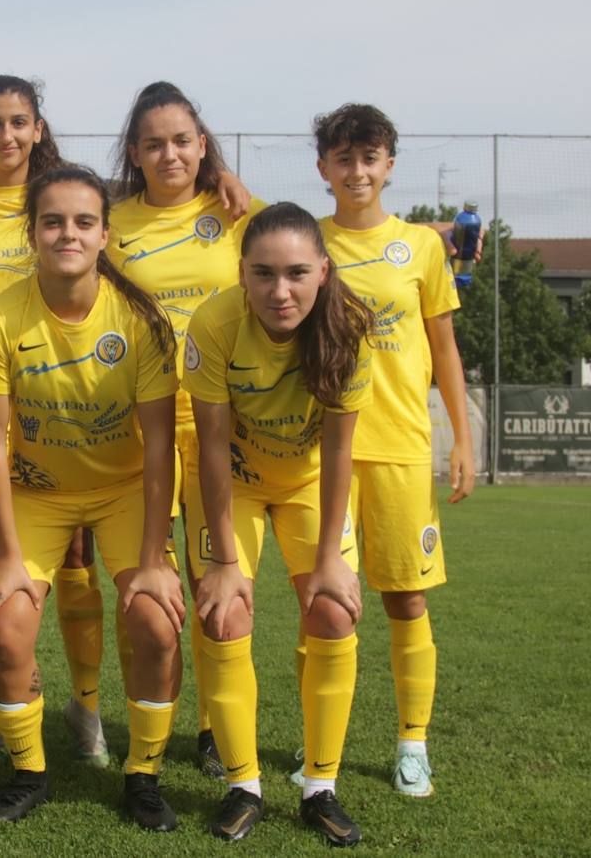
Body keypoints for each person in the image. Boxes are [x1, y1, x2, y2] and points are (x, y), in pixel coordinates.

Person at [0, 165, 184, 830]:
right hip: (39, 494)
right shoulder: (0, 315)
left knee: (155, 619)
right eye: (53, 221)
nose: (68, 233)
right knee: (4, 626)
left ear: (105, 235)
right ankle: (29, 769)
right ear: (31, 232)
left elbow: (157, 445)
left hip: (123, 490)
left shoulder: (141, 316)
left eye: (83, 221)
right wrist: (5, 553)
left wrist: (152, 556)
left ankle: (143, 773)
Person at [187, 202, 372, 846]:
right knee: (222, 611)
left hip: (306, 485)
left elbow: (342, 451)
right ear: (242, 274)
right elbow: (210, 445)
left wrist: (329, 561)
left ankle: (320, 787)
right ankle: (244, 784)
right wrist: (223, 562)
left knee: (332, 610)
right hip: (231, 483)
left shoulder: (347, 328)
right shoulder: (214, 324)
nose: (280, 290)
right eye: (263, 274)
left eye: (296, 272)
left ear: (323, 271)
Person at [309, 103, 475, 799]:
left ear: (389, 166)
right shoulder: (306, 242)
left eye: (369, 157)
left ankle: (413, 743)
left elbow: (444, 347)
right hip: (322, 453)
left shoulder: (421, 247)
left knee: (405, 599)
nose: (356, 170)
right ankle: (323, 752)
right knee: (327, 603)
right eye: (343, 158)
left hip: (403, 445)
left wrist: (462, 437)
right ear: (323, 169)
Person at [0, 74, 107, 766]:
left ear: (38, 127)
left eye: (18, 121)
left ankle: (87, 705)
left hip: (64, 413)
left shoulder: (68, 194)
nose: (6, 135)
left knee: (75, 562)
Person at [106, 81, 258, 778]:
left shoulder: (234, 214)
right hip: (135, 429)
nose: (170, 153)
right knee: (142, 584)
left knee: (209, 578)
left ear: (203, 144)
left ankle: (206, 726)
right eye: (154, 142)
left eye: (182, 140)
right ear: (134, 153)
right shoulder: (111, 221)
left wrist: (239, 194)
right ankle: (151, 724)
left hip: (218, 426)